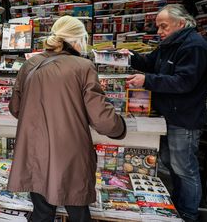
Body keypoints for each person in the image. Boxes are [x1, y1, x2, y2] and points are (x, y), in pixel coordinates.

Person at [7, 16, 127, 222]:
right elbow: (102, 119)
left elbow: (15, 109)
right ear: (78, 40)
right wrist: (120, 127)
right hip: (70, 156)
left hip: (34, 153)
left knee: (42, 213)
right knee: (79, 213)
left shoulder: (30, 64)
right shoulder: (83, 66)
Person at [121, 4, 207, 222]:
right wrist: (129, 57)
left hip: (184, 118)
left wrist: (147, 81)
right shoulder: (170, 43)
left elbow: (184, 82)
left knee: (185, 169)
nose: (159, 32)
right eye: (158, 27)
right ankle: (179, 205)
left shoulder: (194, 46)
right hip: (167, 116)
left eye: (163, 26)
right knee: (171, 164)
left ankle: (189, 214)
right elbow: (150, 62)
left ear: (180, 24)